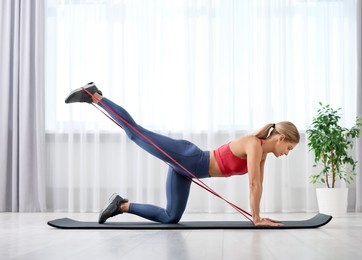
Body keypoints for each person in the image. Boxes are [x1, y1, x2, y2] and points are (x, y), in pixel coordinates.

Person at [65, 82, 300, 227]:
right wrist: (256, 218)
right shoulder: (254, 144)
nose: (287, 153)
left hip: (187, 172)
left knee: (170, 217)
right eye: (289, 148)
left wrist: (257, 216)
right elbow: (254, 185)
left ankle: (121, 205)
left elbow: (257, 185)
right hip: (188, 158)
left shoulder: (262, 154)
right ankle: (94, 95)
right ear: (281, 138)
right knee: (137, 133)